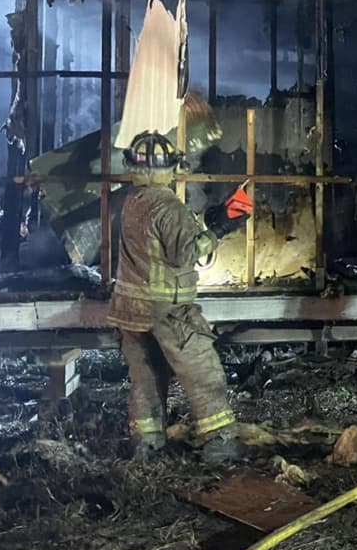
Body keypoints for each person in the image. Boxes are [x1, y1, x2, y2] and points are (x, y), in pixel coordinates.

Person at [108, 131, 253, 463]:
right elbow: (185, 253)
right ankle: (220, 441)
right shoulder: (168, 206)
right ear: (171, 167)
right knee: (202, 371)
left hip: (130, 309)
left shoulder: (133, 201)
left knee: (146, 376)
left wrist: (206, 223)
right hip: (168, 310)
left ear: (132, 166)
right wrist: (220, 229)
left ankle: (146, 443)